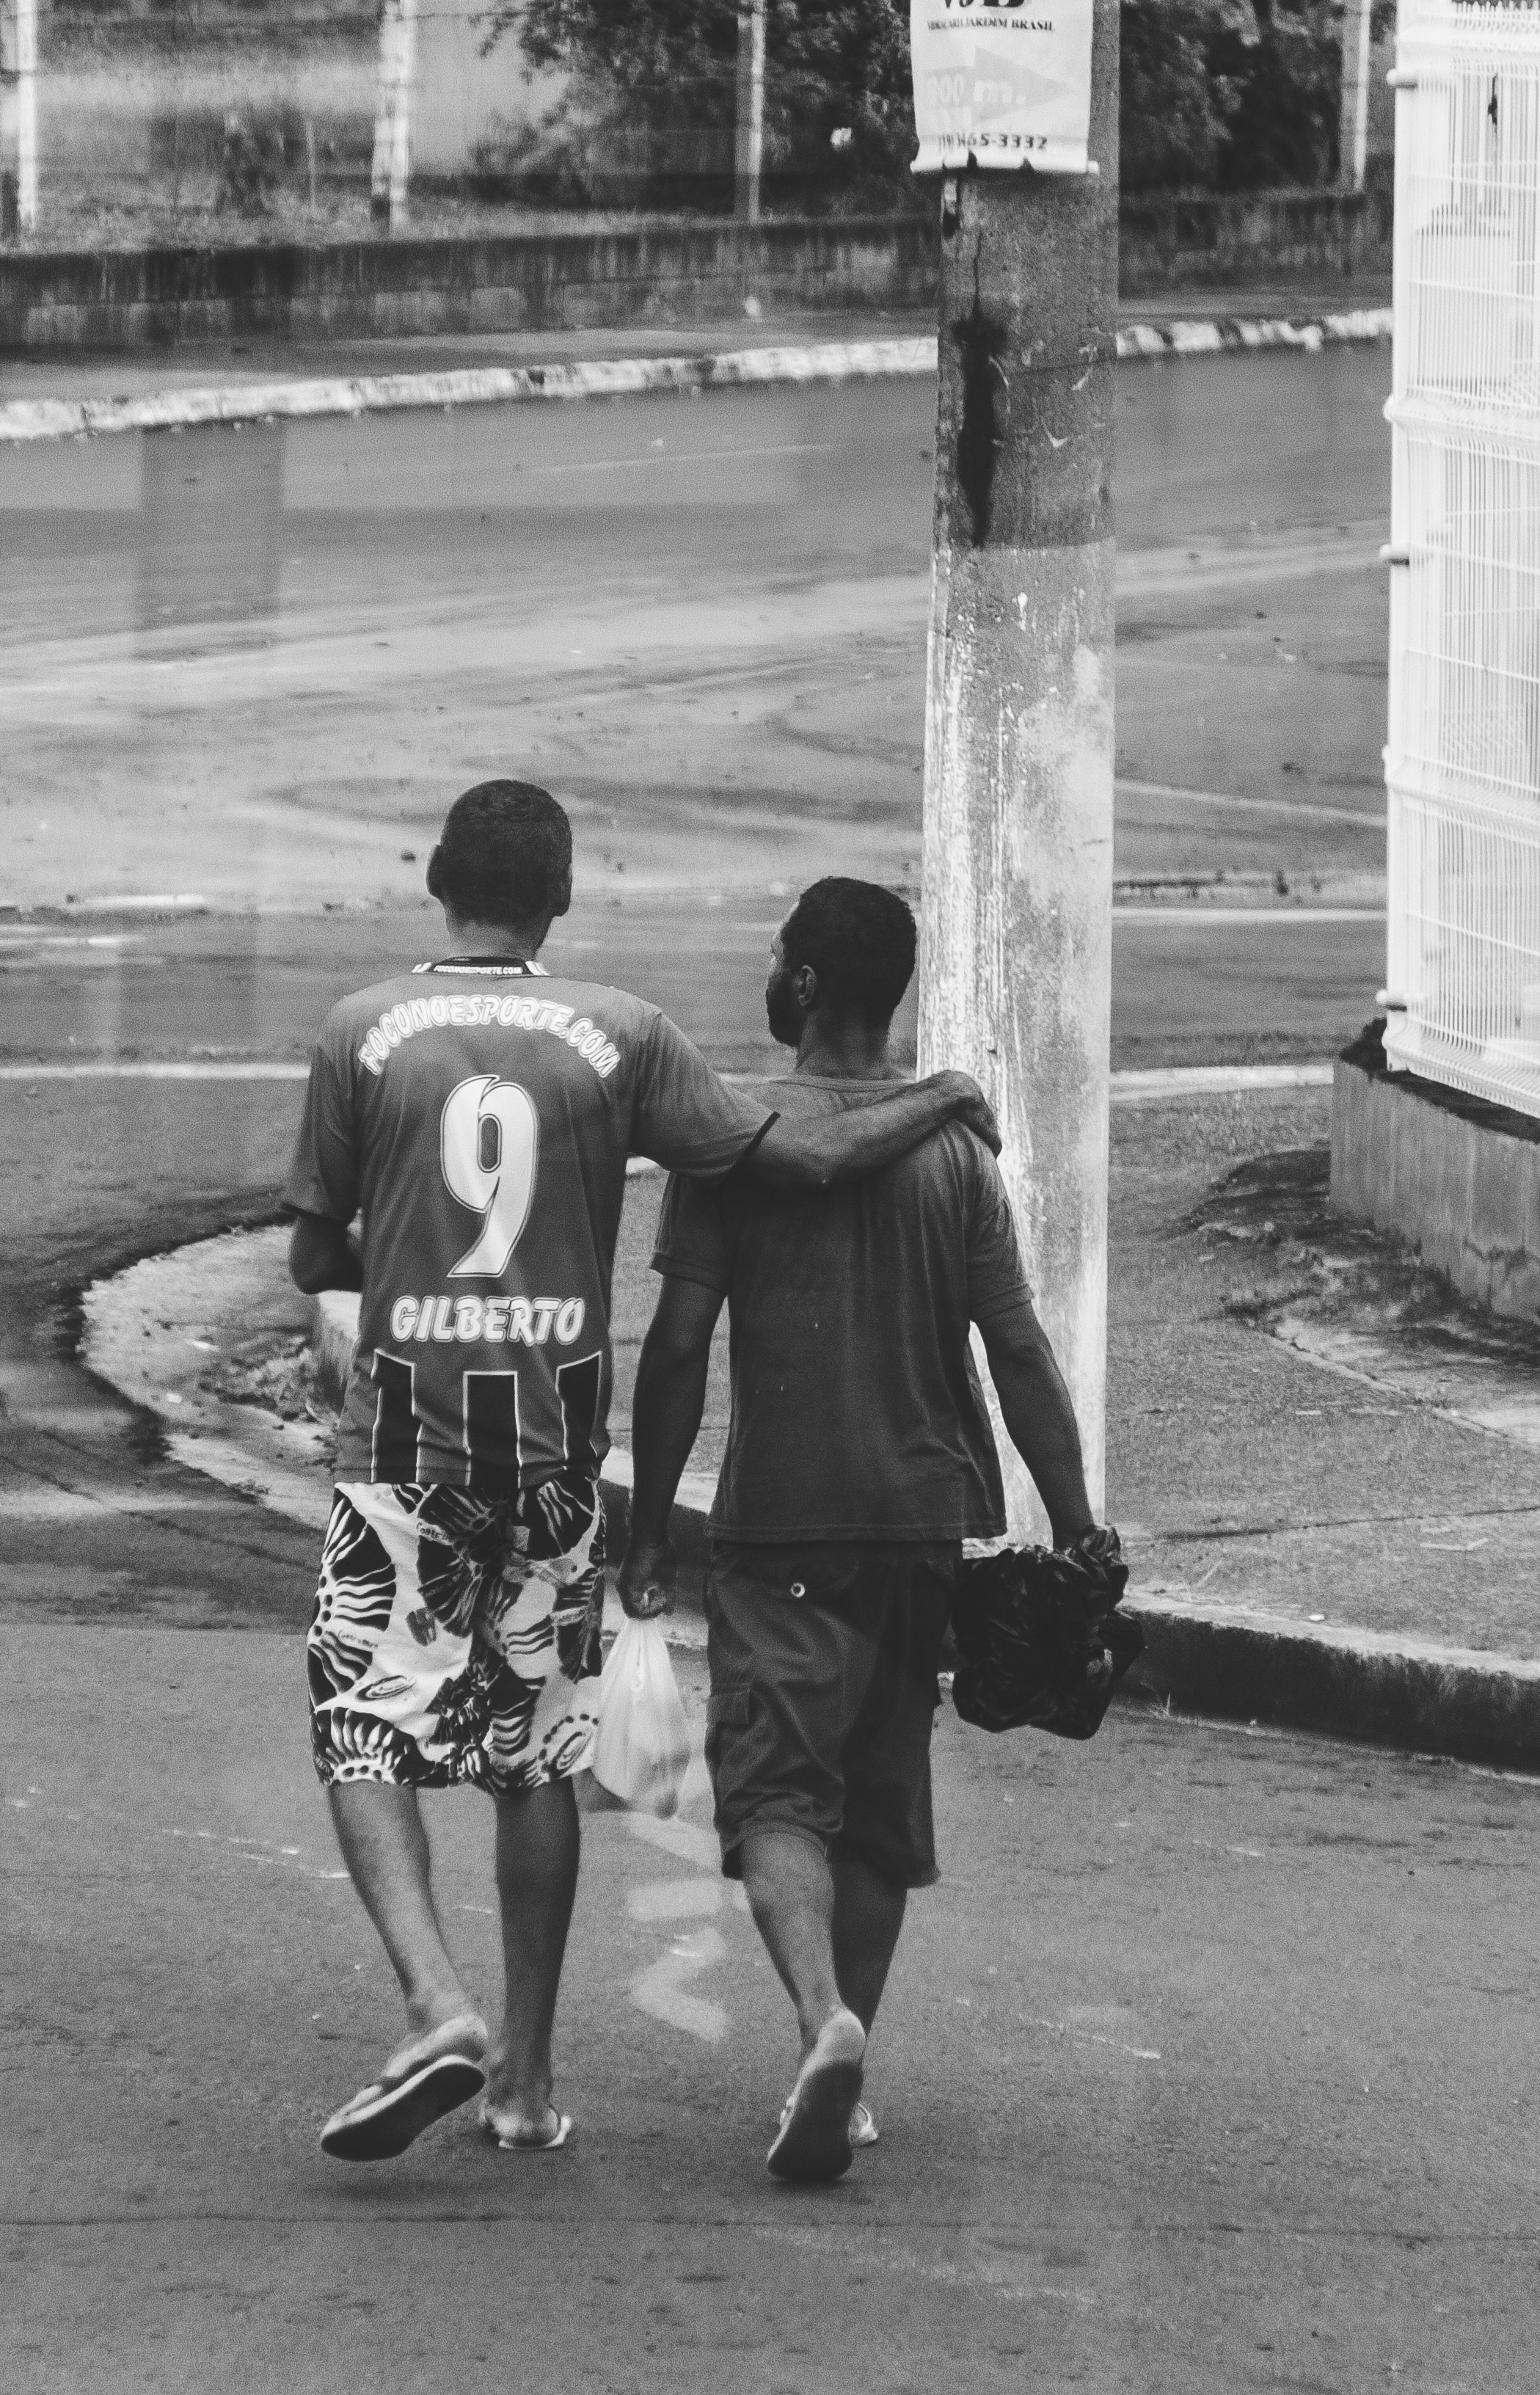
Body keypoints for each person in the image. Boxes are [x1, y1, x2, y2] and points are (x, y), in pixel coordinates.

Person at [284, 784, 1003, 2163]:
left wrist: (413, 1267)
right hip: (554, 1460)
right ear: (561, 901)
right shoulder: (622, 1035)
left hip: (406, 1452)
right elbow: (802, 1153)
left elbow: (315, 1256)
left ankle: (440, 2003)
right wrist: (945, 1099)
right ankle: (527, 2086)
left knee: (361, 1723)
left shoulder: (357, 1031)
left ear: (438, 879)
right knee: (534, 1755)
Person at [618, 876, 1104, 2184]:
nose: (768, 970)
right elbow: (1017, 1350)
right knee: (881, 1804)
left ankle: (820, 2018)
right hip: (924, 1523)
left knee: (777, 1792)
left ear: (812, 986)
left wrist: (653, 1521)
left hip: (782, 1524)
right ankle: (845, 2069)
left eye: (780, 955)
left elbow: (677, 1346)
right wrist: (1079, 1528)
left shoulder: (736, 1139)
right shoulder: (953, 1154)